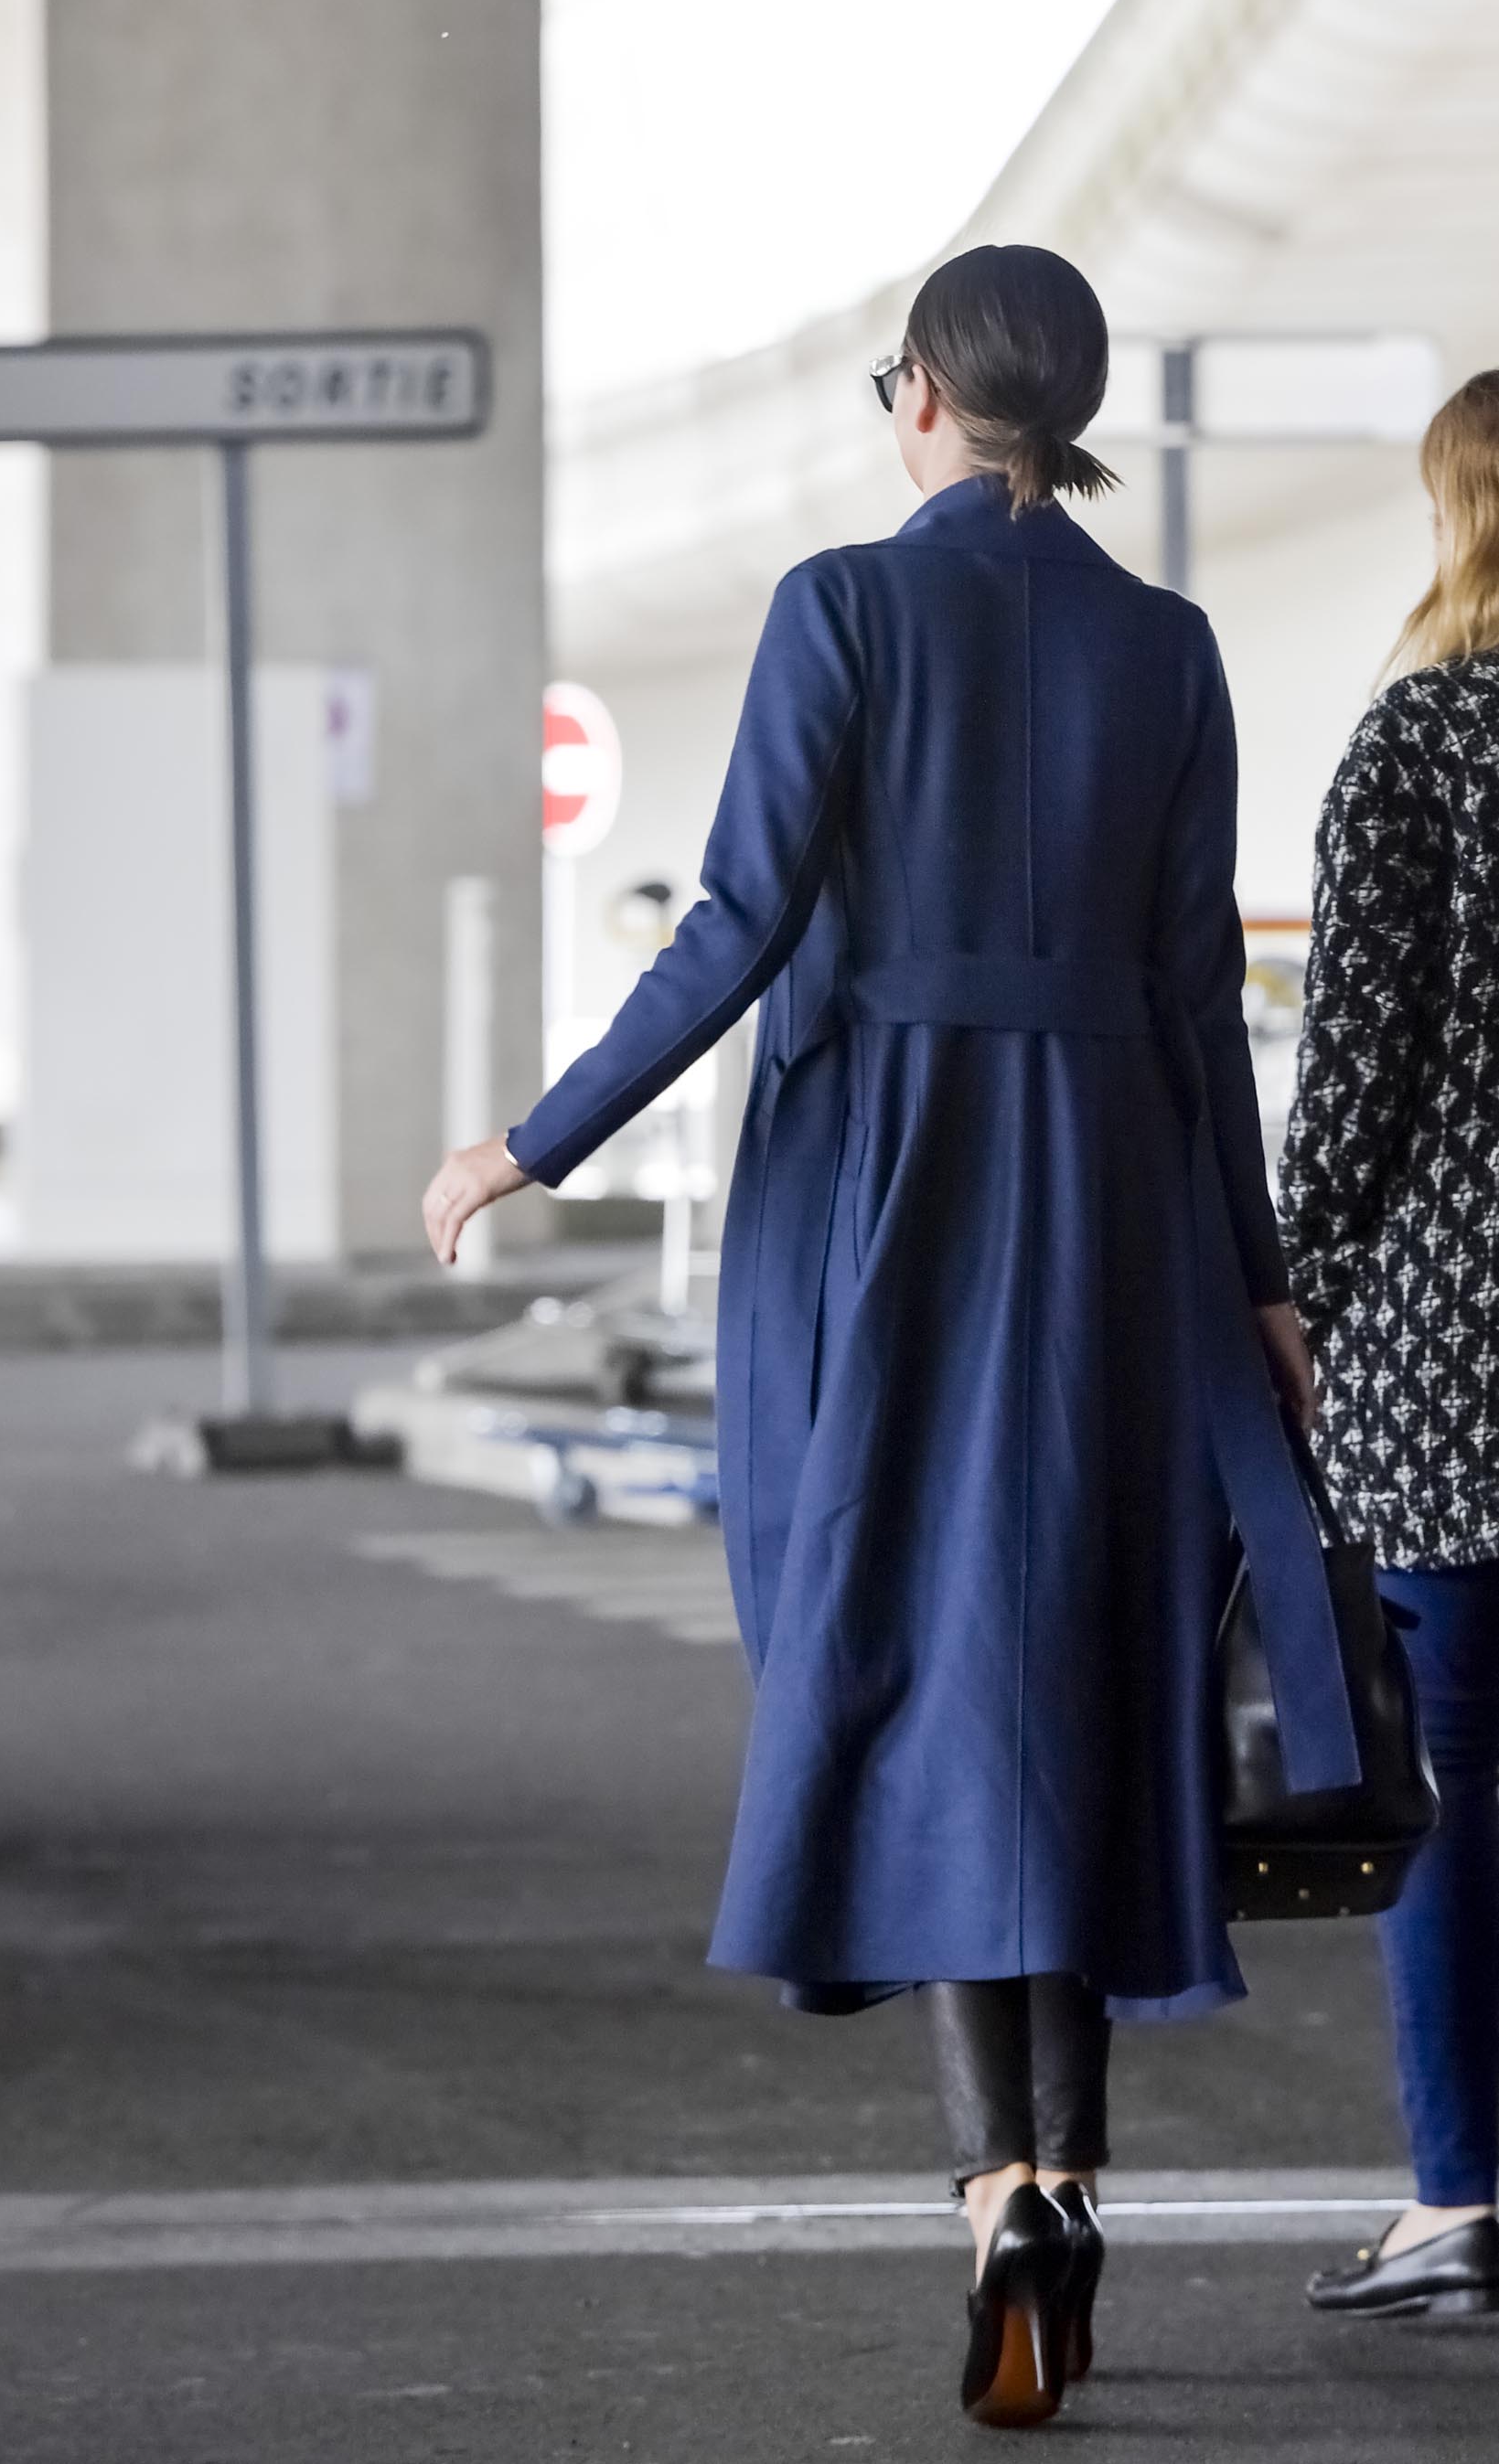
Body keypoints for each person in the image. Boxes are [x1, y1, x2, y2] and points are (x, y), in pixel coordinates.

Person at [423, 244, 1358, 2426]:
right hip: (1113, 1198)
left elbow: (742, 921)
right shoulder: (1171, 644)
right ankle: (1068, 2178)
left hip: (889, 1204)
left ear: (928, 393)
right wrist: (1260, 1280)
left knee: (917, 1662)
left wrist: (528, 1146)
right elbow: (1195, 1002)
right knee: (1080, 1662)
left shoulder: (840, 608)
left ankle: (994, 2188)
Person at [1286, 370, 1499, 2323]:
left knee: (1448, 1781)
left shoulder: (1422, 744)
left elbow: (1349, 1087)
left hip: (1453, 1373)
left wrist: (1303, 1303)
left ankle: (1460, 2195)